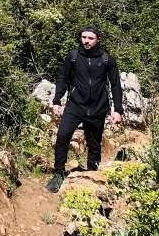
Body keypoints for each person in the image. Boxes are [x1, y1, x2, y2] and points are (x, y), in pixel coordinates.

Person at [45, 25, 123, 193]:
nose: (86, 41)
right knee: (63, 136)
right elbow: (63, 78)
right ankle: (58, 174)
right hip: (75, 105)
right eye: (84, 37)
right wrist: (57, 100)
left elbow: (116, 84)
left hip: (98, 107)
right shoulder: (73, 57)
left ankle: (92, 173)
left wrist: (118, 110)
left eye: (90, 38)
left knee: (94, 144)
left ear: (97, 40)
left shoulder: (107, 60)